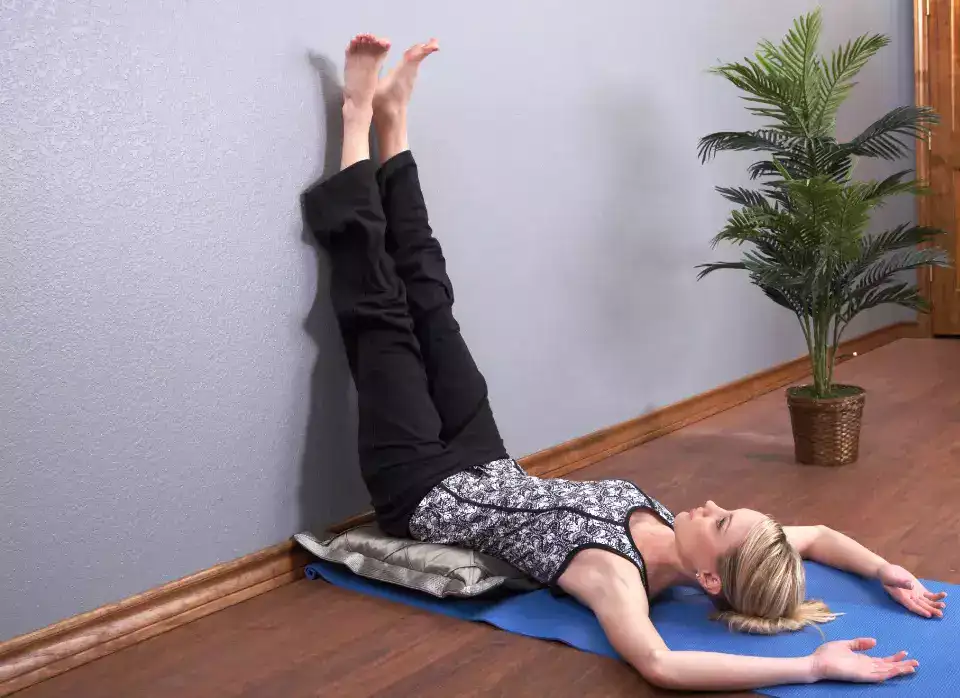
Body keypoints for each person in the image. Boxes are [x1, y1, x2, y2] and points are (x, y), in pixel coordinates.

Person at [301, 34, 947, 693]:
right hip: (484, 458)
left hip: (420, 490)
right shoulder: (690, 536)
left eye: (721, 520)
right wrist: (885, 570)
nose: (712, 504)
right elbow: (814, 537)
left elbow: (662, 664)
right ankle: (396, 121)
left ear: (709, 580)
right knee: (433, 301)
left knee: (382, 318)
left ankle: (358, 117)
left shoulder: (612, 576)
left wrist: (810, 664)